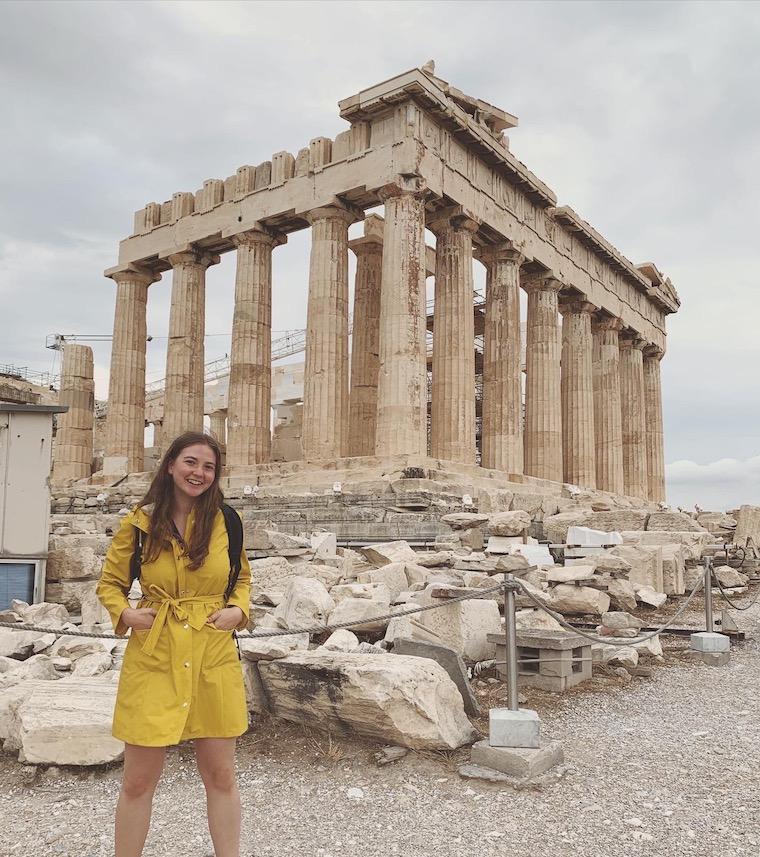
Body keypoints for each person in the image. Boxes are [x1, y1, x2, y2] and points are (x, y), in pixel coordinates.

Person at [97, 431, 251, 857]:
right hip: (155, 653)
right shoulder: (140, 522)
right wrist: (125, 614)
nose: (198, 473)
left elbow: (240, 579)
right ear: (170, 465)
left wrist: (238, 610)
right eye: (190, 462)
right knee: (138, 781)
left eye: (208, 466)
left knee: (221, 776)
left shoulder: (228, 521)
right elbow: (110, 583)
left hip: (211, 651)